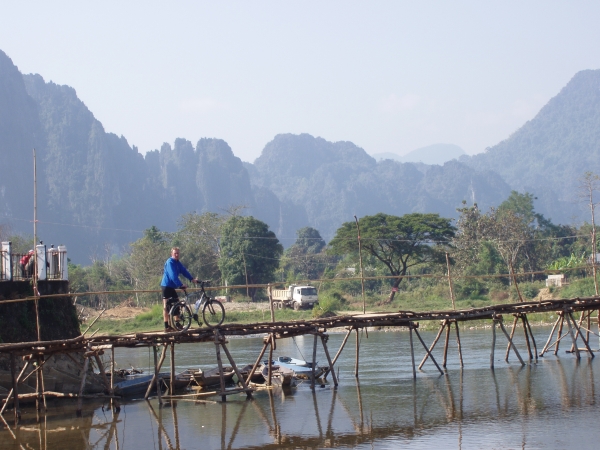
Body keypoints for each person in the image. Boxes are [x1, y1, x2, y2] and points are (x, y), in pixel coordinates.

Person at [161, 247, 198, 331]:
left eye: (178, 253)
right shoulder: (170, 262)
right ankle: (166, 326)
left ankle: (177, 323)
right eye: (175, 253)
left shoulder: (178, 263)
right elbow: (173, 276)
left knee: (177, 304)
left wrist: (191, 279)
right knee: (166, 306)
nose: (177, 255)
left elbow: (184, 271)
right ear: (172, 254)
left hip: (172, 287)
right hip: (166, 286)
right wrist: (180, 285)